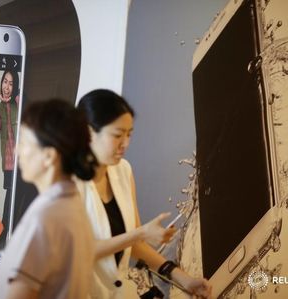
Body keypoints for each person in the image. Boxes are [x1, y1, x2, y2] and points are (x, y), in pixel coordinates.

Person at [76, 89, 212, 299]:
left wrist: (184, 280)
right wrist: (140, 233)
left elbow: (135, 245)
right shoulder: (67, 185)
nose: (126, 144)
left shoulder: (123, 170)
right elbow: (81, 251)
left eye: (129, 134)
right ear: (88, 132)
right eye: (117, 135)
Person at [0, 99, 97, 299]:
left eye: (23, 142)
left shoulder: (45, 219)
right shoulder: (72, 205)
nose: (16, 151)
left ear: (49, 156)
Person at [0, 69, 20, 235]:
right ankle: (5, 227)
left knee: (17, 194)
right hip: (8, 161)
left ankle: (7, 227)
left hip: (22, 158)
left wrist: (16, 96)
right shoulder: (0, 107)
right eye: (5, 82)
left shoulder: (17, 102)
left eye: (11, 83)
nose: (6, 86)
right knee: (10, 193)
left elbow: (24, 110)